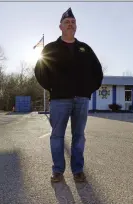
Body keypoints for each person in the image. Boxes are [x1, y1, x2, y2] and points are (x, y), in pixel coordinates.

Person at [34, 7, 103, 183]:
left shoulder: (85, 49)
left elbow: (98, 72)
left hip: (81, 100)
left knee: (79, 136)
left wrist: (87, 90)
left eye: (73, 22)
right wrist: (53, 88)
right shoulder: (51, 48)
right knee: (57, 136)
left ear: (76, 26)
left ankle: (78, 170)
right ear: (60, 27)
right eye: (67, 22)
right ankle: (57, 171)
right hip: (59, 100)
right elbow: (40, 71)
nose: (70, 25)